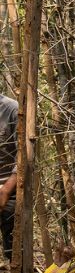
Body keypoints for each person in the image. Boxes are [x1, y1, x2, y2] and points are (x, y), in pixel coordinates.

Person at [0, 93, 17, 261]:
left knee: (14, 251)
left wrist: (5, 190)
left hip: (10, 189)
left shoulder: (12, 109)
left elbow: (25, 157)